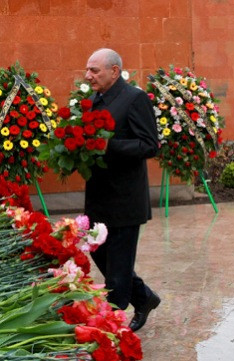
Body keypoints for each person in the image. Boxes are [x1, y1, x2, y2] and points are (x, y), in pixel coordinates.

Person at [83, 48, 160, 332]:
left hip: (125, 199)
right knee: (98, 253)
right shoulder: (94, 100)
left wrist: (108, 146)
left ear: (114, 71)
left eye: (94, 70)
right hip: (98, 197)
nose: (88, 75)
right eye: (88, 70)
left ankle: (111, 328)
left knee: (118, 268)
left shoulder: (135, 99)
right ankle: (145, 297)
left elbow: (149, 144)